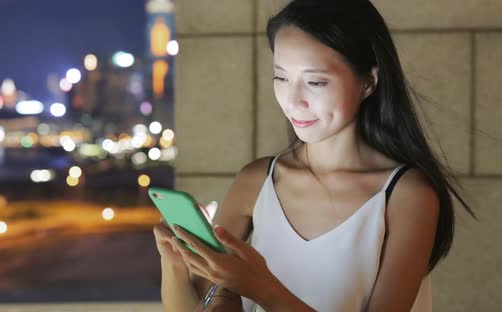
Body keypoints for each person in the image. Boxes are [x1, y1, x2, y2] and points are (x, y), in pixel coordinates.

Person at [153, 0, 475, 311]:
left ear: (368, 82)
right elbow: (196, 307)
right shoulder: (257, 180)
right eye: (281, 77)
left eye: (316, 82)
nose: (293, 100)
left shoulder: (407, 195)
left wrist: (263, 289)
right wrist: (175, 263)